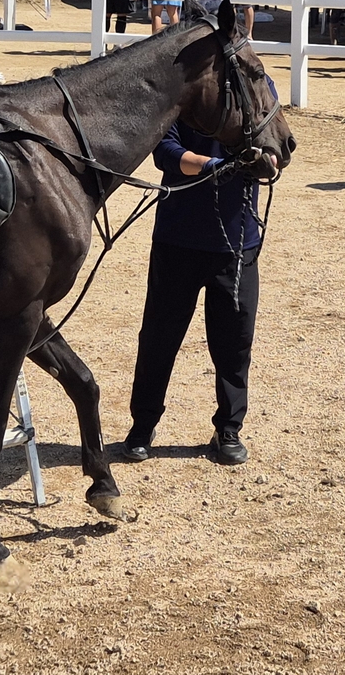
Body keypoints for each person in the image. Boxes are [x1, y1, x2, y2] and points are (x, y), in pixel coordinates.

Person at [120, 104, 274, 469]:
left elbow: (276, 146)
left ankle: (228, 428)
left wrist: (269, 161)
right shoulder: (184, 92)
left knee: (235, 340)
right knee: (159, 337)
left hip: (238, 241)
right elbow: (166, 152)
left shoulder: (258, 86)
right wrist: (210, 166)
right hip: (179, 238)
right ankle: (143, 424)